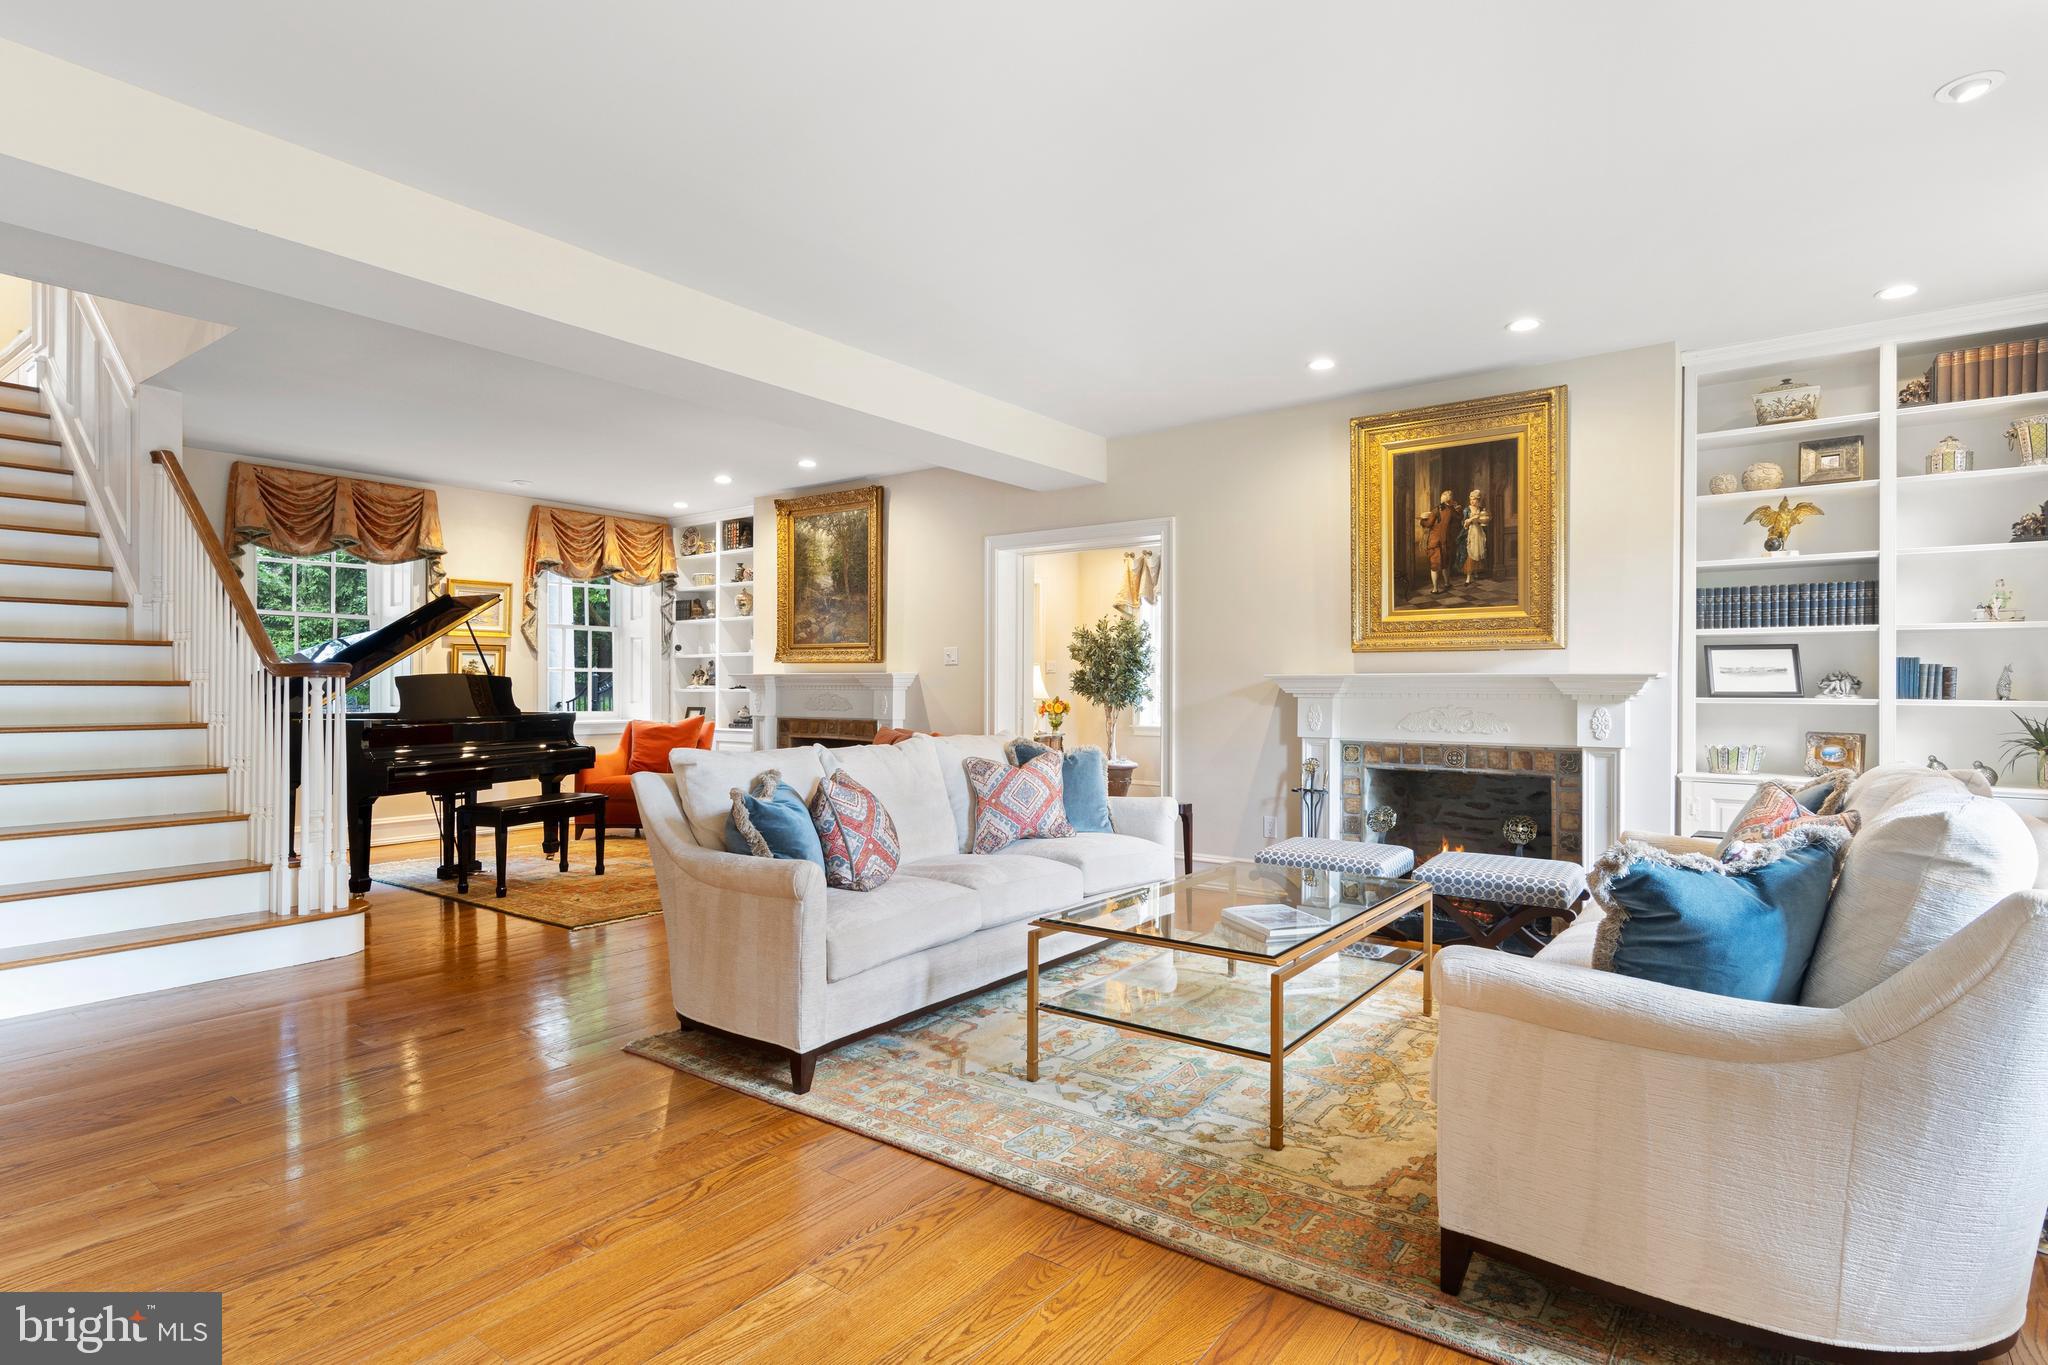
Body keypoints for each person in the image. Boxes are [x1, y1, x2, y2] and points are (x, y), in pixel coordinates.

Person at [1418, 489, 1459, 595]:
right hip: (1446, 540)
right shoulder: (1453, 510)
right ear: (1451, 500)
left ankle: (1435, 589)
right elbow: (1459, 518)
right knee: (1445, 563)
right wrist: (1457, 508)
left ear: (1442, 499)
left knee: (1435, 565)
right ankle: (1447, 583)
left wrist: (1422, 521)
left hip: (1435, 541)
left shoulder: (1436, 510)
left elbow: (1429, 524)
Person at [1461, 488, 1490, 587]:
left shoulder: (1480, 509)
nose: (1472, 501)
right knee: (1471, 552)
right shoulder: (1467, 510)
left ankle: (1475, 572)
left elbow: (1485, 519)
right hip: (1471, 532)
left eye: (1474, 499)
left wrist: (1483, 520)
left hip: (1479, 532)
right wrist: (1470, 520)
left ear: (1478, 500)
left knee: (1478, 552)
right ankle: (1468, 577)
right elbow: (1464, 523)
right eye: (1471, 499)